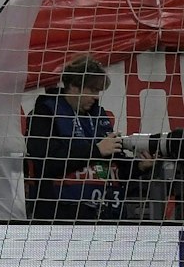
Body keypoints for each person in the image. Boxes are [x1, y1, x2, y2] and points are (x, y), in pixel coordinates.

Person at [27, 56, 142, 220]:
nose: (96, 97)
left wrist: (140, 167)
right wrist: (95, 150)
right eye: (92, 90)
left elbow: (114, 167)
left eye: (98, 91)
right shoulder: (45, 113)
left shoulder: (98, 116)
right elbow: (47, 161)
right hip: (60, 217)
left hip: (106, 215)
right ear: (74, 87)